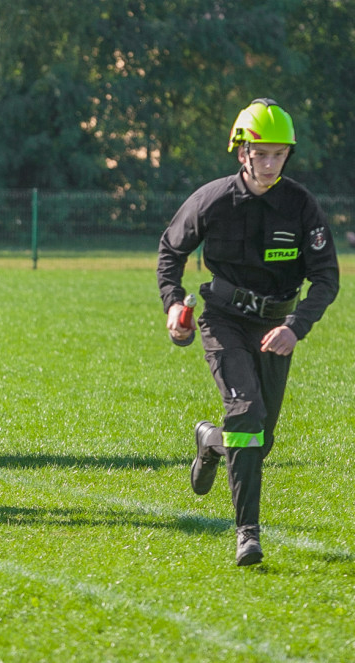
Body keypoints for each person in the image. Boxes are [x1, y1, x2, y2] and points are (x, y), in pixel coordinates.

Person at [158, 98, 340, 566]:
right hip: (223, 320)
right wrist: (173, 303)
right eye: (261, 153)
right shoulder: (213, 199)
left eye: (279, 154)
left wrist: (295, 327)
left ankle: (209, 440)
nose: (270, 163)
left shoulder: (301, 206)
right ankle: (247, 534)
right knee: (246, 411)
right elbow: (170, 250)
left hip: (277, 326)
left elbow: (326, 277)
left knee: (260, 438)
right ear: (242, 152)